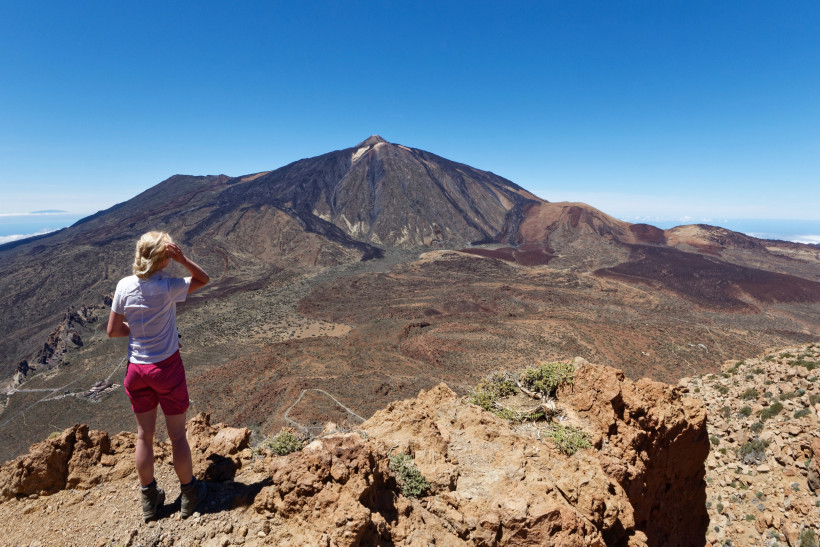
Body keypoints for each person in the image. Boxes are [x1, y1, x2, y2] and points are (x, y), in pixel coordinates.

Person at [107, 231, 210, 522]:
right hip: (166, 368)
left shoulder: (124, 286)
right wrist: (184, 259)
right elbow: (204, 279)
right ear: (164, 259)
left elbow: (113, 330)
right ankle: (189, 494)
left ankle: (149, 501)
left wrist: (135, 332)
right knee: (177, 435)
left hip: (136, 371)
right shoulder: (167, 287)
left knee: (144, 436)